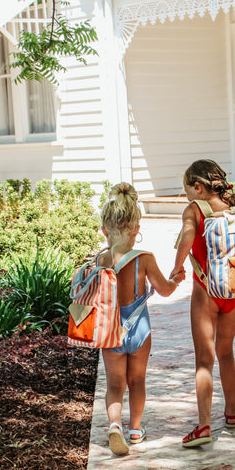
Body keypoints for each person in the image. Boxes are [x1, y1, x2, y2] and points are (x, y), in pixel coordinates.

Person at [100, 183, 184, 455]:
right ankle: (135, 429)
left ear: (104, 229)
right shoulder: (144, 259)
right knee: (137, 380)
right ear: (137, 229)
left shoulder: (101, 259)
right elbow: (164, 289)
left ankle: (115, 425)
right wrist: (175, 280)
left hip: (111, 330)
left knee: (115, 384)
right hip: (139, 329)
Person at [170, 160, 235, 448]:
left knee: (204, 360)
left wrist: (177, 268)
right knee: (226, 354)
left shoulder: (194, 209)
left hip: (206, 290)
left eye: (187, 189)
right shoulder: (230, 206)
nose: (187, 195)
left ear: (198, 187)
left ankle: (203, 426)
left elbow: (188, 235)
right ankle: (231, 412)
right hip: (233, 291)